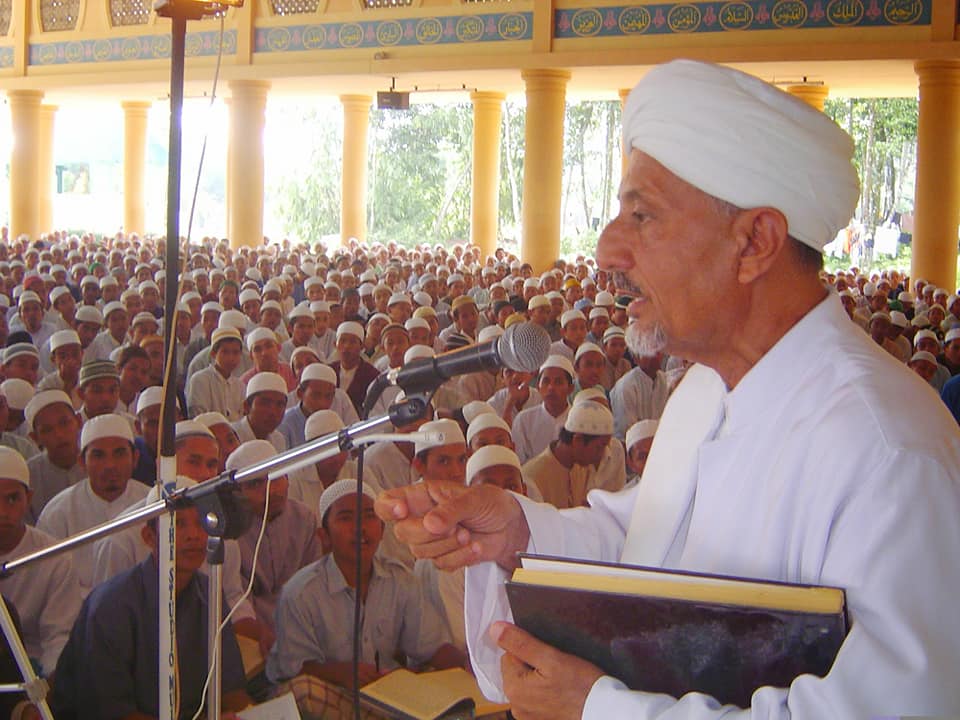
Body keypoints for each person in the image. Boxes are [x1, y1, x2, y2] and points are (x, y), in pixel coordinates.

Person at [375, 60, 960, 718]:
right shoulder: (704, 393)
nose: (607, 249)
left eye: (644, 216)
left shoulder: (886, 449)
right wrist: (516, 532)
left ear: (756, 242)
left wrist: (599, 710)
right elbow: (648, 552)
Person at [51, 486, 252, 719]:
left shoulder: (209, 593)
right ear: (149, 537)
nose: (194, 536)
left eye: (201, 523)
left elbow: (231, 691)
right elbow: (114, 713)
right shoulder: (111, 606)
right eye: (178, 524)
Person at [267, 480, 462, 712]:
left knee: (449, 687)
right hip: (337, 699)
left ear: (381, 530)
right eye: (346, 517)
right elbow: (290, 669)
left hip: (391, 698)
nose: (360, 527)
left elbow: (433, 647)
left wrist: (470, 671)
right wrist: (340, 672)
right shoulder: (300, 592)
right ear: (324, 535)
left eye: (369, 516)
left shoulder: (400, 579)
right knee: (302, 691)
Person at [37, 413, 150, 596]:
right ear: (82, 461)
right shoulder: (58, 512)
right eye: (98, 455)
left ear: (135, 458)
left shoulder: (151, 503)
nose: (110, 465)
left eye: (119, 454)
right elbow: (48, 583)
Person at [0, 447, 82, 677]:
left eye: (12, 499)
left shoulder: (54, 557)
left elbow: (58, 636)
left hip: (33, 669)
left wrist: (47, 688)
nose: (3, 511)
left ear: (28, 499)